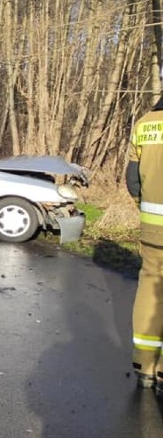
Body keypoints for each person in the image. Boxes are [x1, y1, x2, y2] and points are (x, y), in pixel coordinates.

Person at [126, 96, 163, 396]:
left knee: (151, 288)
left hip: (152, 227)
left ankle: (145, 366)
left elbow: (132, 179)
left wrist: (144, 206)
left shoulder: (146, 123)